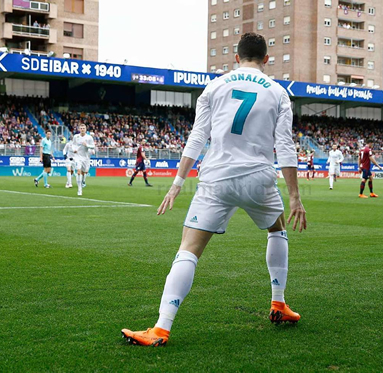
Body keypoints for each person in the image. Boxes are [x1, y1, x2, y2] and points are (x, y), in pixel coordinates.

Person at [121, 32, 307, 347]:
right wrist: (295, 196)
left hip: (216, 177)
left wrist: (177, 182)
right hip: (259, 177)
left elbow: (197, 137)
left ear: (236, 57)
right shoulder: (277, 92)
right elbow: (285, 146)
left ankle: (161, 329)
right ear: (265, 59)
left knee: (189, 249)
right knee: (277, 230)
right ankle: (278, 303)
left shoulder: (215, 86)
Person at [72, 124, 95, 196]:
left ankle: (82, 182)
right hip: (78, 157)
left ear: (86, 129)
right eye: (81, 128)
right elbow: (73, 145)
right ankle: (79, 190)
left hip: (86, 157)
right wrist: (74, 149)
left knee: (84, 172)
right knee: (79, 172)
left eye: (83, 128)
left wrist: (87, 145)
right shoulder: (76, 137)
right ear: (79, 129)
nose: (82, 129)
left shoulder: (89, 138)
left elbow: (93, 146)